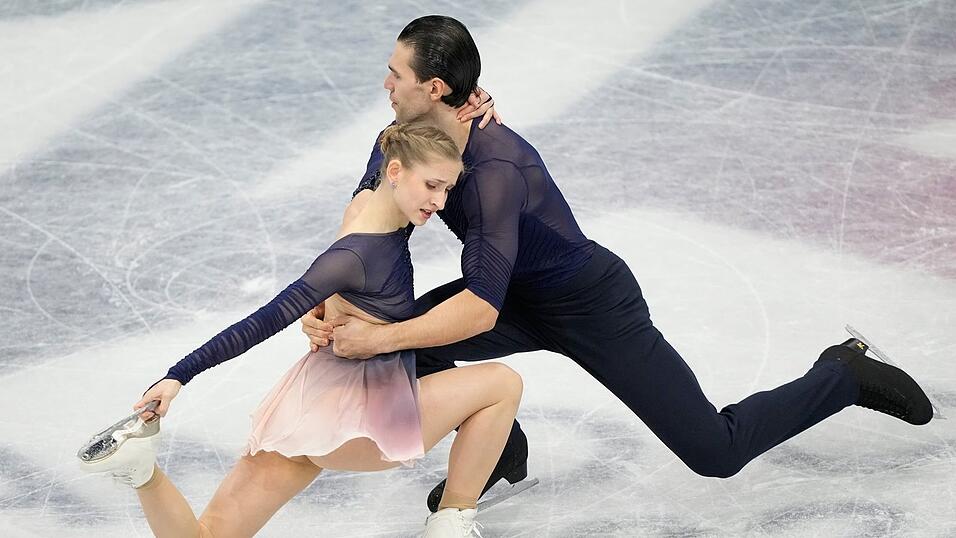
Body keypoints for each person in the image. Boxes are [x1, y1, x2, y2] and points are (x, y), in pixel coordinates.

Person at [301, 14, 936, 513]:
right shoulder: (412, 142)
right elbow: (366, 215)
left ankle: (844, 373)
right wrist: (332, 304)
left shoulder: (498, 170)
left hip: (589, 303)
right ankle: (496, 447)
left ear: (434, 89)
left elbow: (479, 309)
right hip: (512, 294)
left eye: (395, 74)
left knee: (716, 451)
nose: (385, 84)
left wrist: (381, 333)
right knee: (410, 349)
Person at [79, 122, 522, 538]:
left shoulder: (373, 212)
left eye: (447, 189)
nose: (440, 202)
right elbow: (264, 320)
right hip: (362, 420)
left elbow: (392, 149)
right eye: (432, 186)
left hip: (305, 410)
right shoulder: (352, 256)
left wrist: (465, 103)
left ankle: (143, 472)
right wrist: (179, 374)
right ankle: (450, 523)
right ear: (395, 173)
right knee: (502, 383)